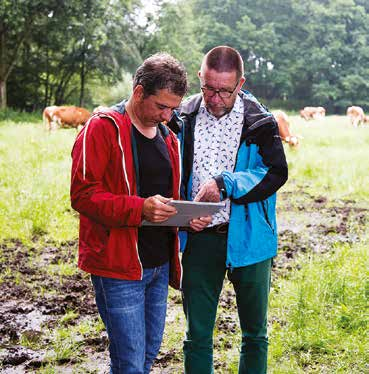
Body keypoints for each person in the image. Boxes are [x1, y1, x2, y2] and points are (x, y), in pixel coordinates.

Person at [70, 53, 208, 374]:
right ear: (138, 92)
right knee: (130, 362)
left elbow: (167, 200)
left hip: (159, 264)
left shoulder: (168, 137)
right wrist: (139, 207)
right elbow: (83, 196)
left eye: (173, 108)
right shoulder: (102, 128)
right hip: (119, 266)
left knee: (145, 355)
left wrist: (187, 217)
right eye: (161, 106)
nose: (167, 115)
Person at [168, 46, 288, 373]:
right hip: (199, 239)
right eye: (208, 87)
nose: (215, 98)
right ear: (199, 78)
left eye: (224, 90)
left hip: (249, 239)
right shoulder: (184, 116)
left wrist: (226, 183)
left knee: (254, 334)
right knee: (197, 335)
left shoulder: (260, 121)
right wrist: (182, 220)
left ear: (241, 83)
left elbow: (276, 172)